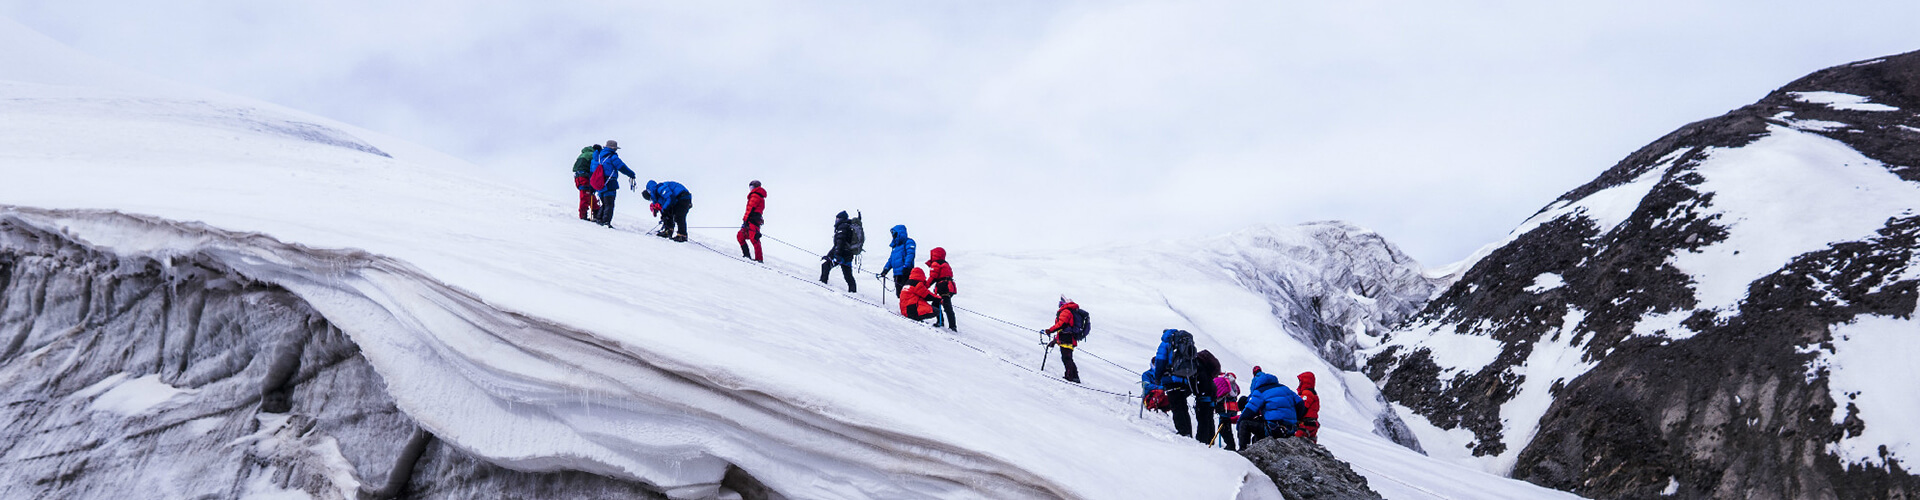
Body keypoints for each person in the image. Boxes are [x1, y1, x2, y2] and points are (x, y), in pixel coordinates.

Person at [1238, 367, 1305, 447]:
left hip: (1273, 429)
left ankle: (1243, 452)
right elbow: (1300, 403)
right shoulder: (1285, 388)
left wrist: (1239, 425)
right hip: (1290, 429)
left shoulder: (1260, 391)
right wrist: (1296, 419)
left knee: (1244, 423)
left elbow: (1249, 411)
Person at [1151, 329, 1198, 437]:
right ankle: (1188, 432)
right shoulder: (1184, 342)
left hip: (1171, 378)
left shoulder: (1166, 343)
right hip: (1185, 378)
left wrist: (1157, 378)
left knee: (1176, 406)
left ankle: (1182, 431)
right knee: (1183, 405)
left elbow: (1160, 360)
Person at [590, 140, 637, 227]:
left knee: (604, 203)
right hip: (610, 182)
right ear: (613, 148)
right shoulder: (612, 157)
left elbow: (593, 170)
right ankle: (605, 222)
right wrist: (631, 174)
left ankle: (599, 219)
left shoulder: (598, 157)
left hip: (600, 183)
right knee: (609, 204)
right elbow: (622, 167)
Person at [1040, 297, 1083, 383]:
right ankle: (1074, 376)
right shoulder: (1070, 311)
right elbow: (1063, 327)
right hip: (1069, 337)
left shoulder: (1066, 311)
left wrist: (1049, 330)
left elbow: (1061, 325)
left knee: (1066, 357)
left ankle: (1070, 376)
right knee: (1068, 357)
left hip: (1066, 338)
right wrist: (1055, 340)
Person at [818, 211, 858, 293]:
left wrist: (837, 255)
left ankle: (822, 284)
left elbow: (840, 243)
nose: (836, 220)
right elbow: (837, 244)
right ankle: (853, 292)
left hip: (842, 255)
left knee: (826, 266)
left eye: (837, 218)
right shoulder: (847, 226)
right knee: (848, 275)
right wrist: (829, 255)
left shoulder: (842, 227)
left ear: (841, 219)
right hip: (847, 255)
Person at [1192, 349, 1222, 444]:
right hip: (1211, 397)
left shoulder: (1200, 370)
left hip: (1203, 398)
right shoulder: (1208, 372)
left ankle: (1202, 441)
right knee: (1209, 420)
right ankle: (1210, 441)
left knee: (1202, 420)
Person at [876, 225, 916, 294]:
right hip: (897, 274)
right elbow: (891, 259)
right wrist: (885, 269)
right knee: (899, 294)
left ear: (899, 233)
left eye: (894, 233)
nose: (892, 235)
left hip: (905, 272)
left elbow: (910, 254)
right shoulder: (895, 246)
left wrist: (906, 266)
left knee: (907, 294)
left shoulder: (908, 242)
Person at [925, 247, 957, 331]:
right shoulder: (945, 263)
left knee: (938, 304)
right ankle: (951, 325)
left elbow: (933, 277)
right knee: (946, 306)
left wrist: (925, 286)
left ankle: (942, 322)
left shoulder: (936, 264)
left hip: (943, 286)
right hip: (949, 286)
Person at [737, 181, 766, 261]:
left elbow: (751, 209)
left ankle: (759, 259)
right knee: (740, 236)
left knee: (754, 239)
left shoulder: (755, 195)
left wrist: (746, 220)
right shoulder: (757, 196)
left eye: (752, 187)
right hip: (750, 220)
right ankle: (747, 255)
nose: (750, 189)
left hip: (752, 221)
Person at [571, 144, 602, 220]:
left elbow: (574, 168)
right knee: (585, 195)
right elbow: (594, 167)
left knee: (588, 193)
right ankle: (583, 216)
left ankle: (596, 211)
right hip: (584, 177)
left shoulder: (583, 154)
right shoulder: (593, 154)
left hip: (578, 177)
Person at [1214, 371, 1242, 450]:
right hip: (1232, 409)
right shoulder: (1233, 386)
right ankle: (1230, 444)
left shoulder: (1222, 383)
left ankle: (1230, 445)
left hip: (1225, 408)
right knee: (1226, 427)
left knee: (1223, 427)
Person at [1295, 371, 1321, 441]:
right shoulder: (1313, 394)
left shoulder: (1307, 393)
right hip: (1312, 425)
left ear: (1305, 382)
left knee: (1295, 440)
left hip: (1305, 424)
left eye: (1300, 381)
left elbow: (1302, 408)